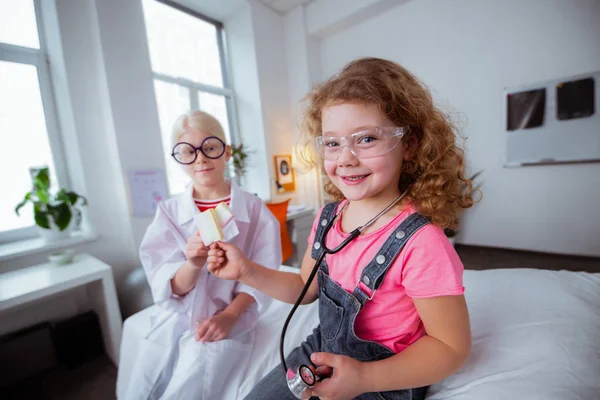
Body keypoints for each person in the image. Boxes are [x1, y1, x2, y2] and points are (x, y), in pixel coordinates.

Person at [206, 57, 477, 399]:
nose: (346, 158)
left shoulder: (422, 243)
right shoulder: (327, 218)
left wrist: (365, 378)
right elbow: (304, 289)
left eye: (366, 139)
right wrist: (245, 270)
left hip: (385, 376)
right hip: (322, 352)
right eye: (332, 143)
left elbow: (451, 348)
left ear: (408, 144)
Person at [122, 110, 281, 399]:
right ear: (178, 159)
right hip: (180, 315)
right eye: (188, 152)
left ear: (227, 152)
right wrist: (192, 265)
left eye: (209, 148)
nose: (200, 159)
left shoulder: (255, 210)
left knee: (196, 374)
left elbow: (262, 273)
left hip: (233, 314)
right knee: (147, 378)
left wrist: (230, 316)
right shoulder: (169, 214)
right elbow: (169, 284)